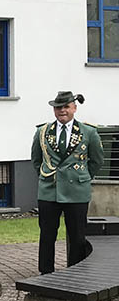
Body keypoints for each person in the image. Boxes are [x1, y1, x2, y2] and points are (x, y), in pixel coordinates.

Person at [31, 91, 104, 274]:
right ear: (54, 110)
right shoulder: (42, 131)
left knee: (77, 236)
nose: (62, 110)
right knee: (47, 235)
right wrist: (46, 175)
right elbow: (36, 160)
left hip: (77, 191)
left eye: (66, 107)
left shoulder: (88, 132)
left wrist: (83, 178)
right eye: (58, 107)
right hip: (50, 190)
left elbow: (96, 161)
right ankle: (46, 273)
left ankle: (75, 273)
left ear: (74, 108)